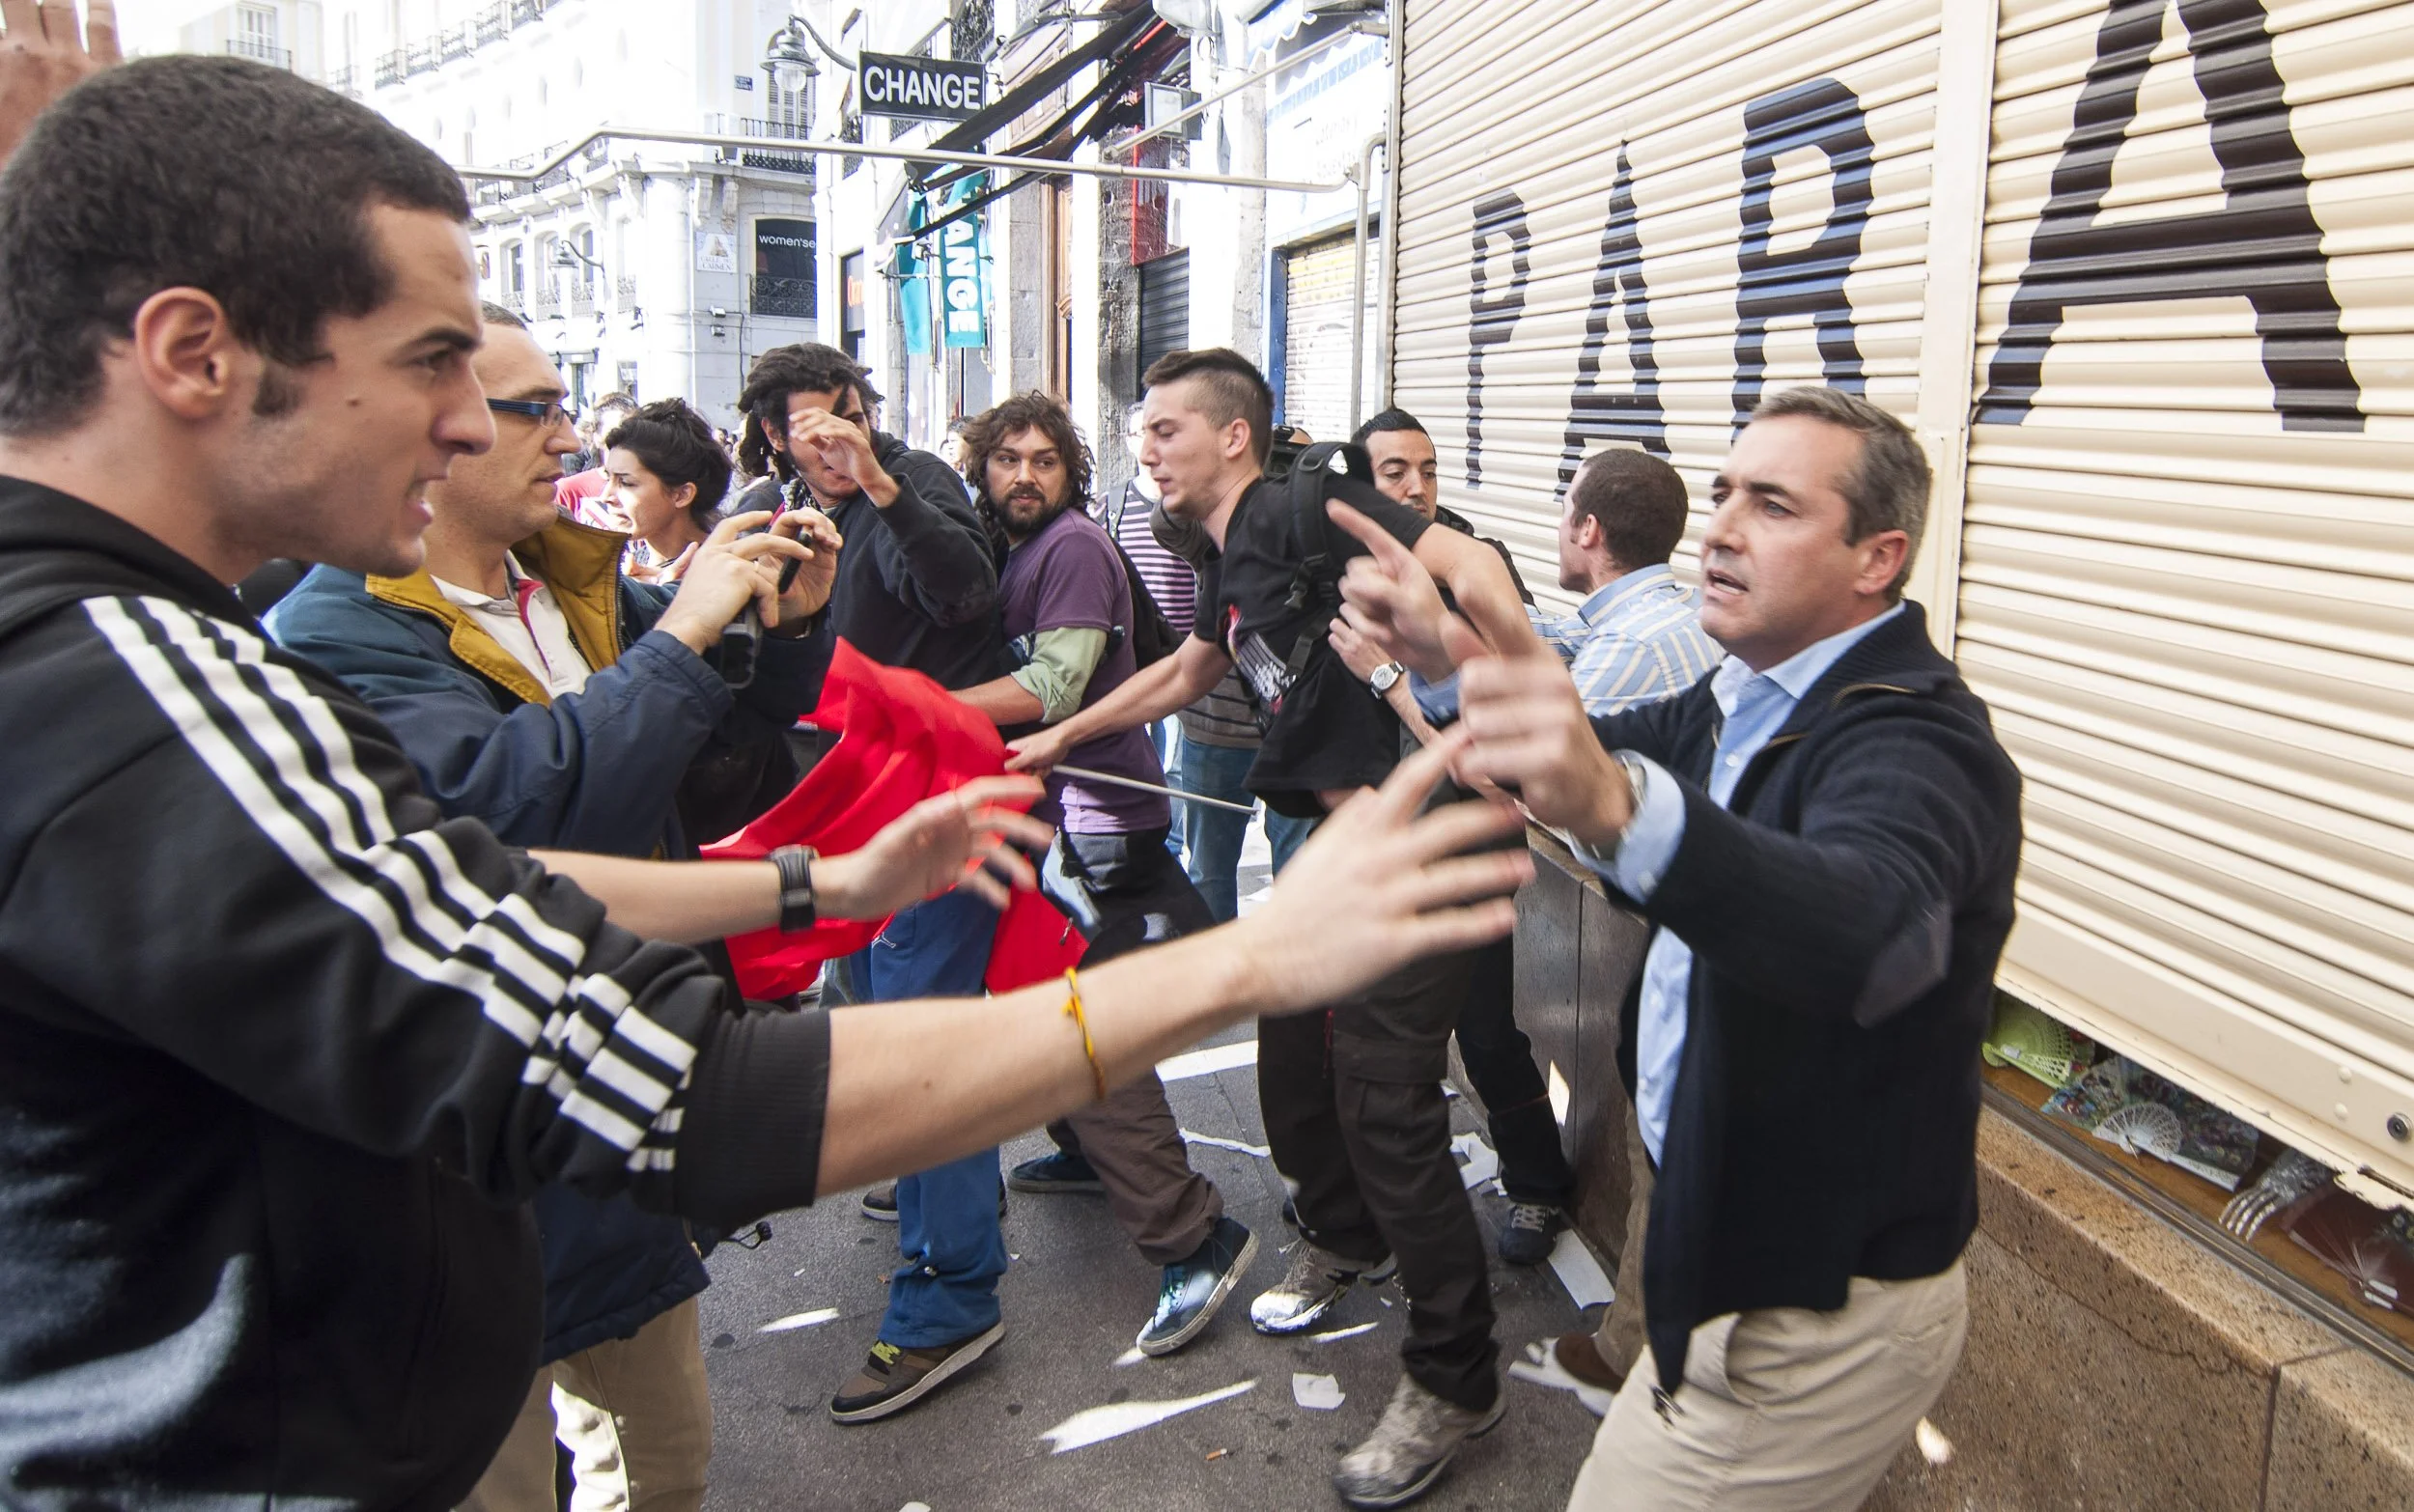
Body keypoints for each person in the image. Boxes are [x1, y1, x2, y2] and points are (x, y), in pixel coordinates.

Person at [0, 55, 1530, 1511]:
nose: (472, 425)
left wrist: (825, 878)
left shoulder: (151, 650)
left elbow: (450, 876)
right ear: (193, 353)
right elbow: (674, 1081)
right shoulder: (116, 690)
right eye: (434, 363)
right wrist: (1254, 955)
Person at [1338, 386, 2023, 1512]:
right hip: (1718, 1268)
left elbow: (1872, 929)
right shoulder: (1737, 695)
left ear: (1876, 557)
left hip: (1804, 1306)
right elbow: (1571, 760)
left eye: (1772, 504)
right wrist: (1451, 659)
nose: (1719, 530)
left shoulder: (1921, 739)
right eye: (1720, 496)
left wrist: (1611, 804)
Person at [267, 311, 834, 1512]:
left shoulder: (572, 586)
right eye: (536, 408)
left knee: (664, 1466)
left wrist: (778, 628)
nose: (566, 435)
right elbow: (510, 818)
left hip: (615, 1104)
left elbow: (709, 770)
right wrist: (684, 626)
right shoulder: (334, 628)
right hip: (459, 1163)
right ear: (441, 425)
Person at [1009, 349, 1540, 1509]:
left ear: (1232, 437)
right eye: (1142, 433)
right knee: (1298, 1053)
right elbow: (1194, 669)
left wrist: (1491, 721)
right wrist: (1057, 737)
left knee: (1387, 1107)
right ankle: (1345, 1238)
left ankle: (1455, 1375)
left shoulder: (1310, 499)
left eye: (1162, 431)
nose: (1143, 450)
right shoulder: (1229, 547)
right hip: (1338, 841)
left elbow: (1473, 570)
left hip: (1420, 828)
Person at [728, 343, 1016, 1423]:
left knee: (923, 1048)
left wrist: (884, 489)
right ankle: (955, 1195)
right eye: (813, 429)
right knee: (860, 1013)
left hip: (931, 800)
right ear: (771, 435)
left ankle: (949, 1300)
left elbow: (963, 596)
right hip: (827, 807)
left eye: (850, 416)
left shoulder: (916, 485)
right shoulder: (771, 506)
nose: (838, 441)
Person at [951, 390, 1256, 1358]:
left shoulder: (1073, 548)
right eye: (1008, 459)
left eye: (1044, 460)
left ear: (1071, 471)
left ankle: (1194, 1236)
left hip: (1095, 827)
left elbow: (1058, 686)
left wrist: (909, 706)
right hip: (1063, 821)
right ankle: (1090, 1157)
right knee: (1061, 1019)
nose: (1024, 475)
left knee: (1083, 1035)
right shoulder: (1019, 550)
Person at [1095, 401, 1195, 783]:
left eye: (1163, 433)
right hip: (1134, 655)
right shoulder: (1110, 507)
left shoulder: (1194, 504)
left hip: (1187, 655)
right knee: (1138, 755)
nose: (1152, 445)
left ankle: (1172, 839)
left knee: (1177, 764)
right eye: (1141, 433)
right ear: (1128, 443)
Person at [607, 399, 723, 584]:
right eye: (608, 478)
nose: (606, 496)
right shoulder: (621, 570)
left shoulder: (728, 571)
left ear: (682, 494)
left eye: (626, 483)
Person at [555, 390, 637, 526]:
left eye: (633, 431)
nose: (625, 440)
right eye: (615, 432)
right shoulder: (568, 490)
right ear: (597, 436)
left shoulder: (652, 487)